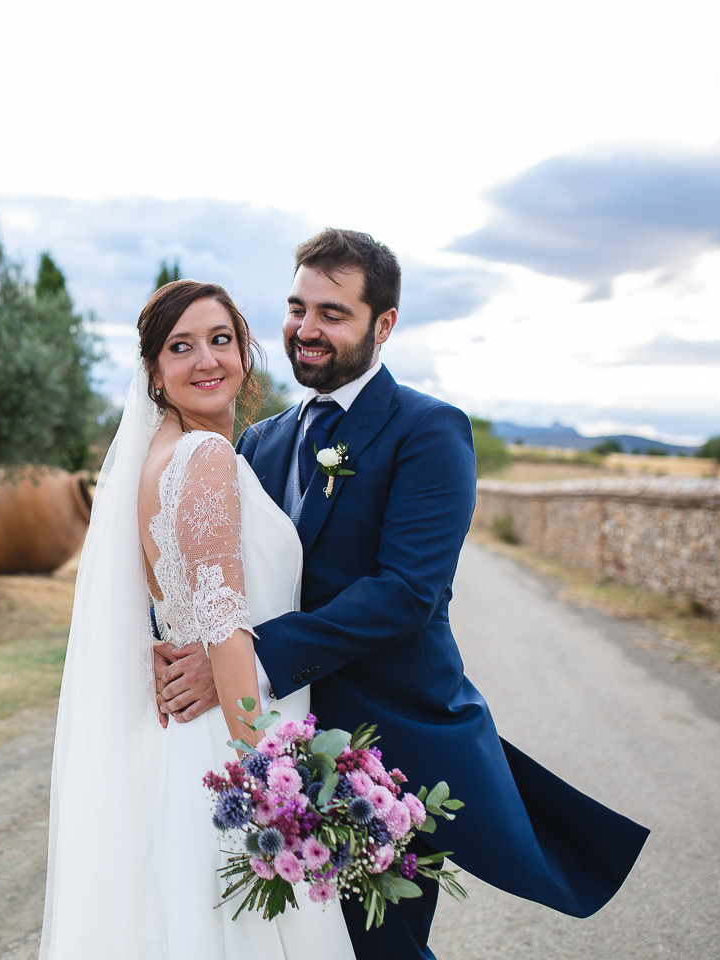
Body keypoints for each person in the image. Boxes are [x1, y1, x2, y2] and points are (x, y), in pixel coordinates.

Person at [154, 229, 650, 960]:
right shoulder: (259, 443)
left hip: (388, 754)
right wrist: (186, 648)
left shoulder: (428, 431)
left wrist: (253, 659)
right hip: (273, 743)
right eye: (297, 308)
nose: (307, 329)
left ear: (383, 325)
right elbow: (216, 573)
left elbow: (406, 593)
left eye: (333, 312)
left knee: (383, 952)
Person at [38, 281, 356, 959]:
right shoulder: (204, 457)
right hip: (229, 745)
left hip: (186, 748)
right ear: (155, 372)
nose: (207, 360)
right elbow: (223, 627)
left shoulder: (154, 455)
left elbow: (161, 602)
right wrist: (270, 781)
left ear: (245, 351)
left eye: (220, 340)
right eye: (180, 347)